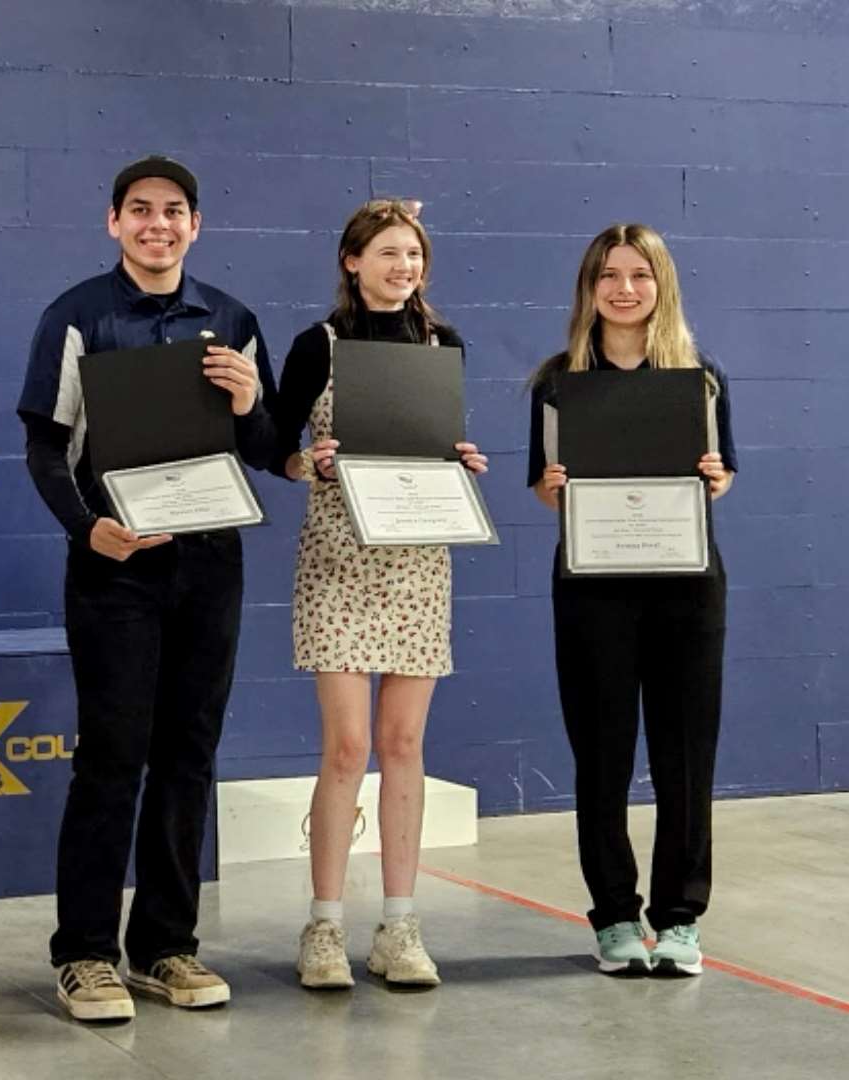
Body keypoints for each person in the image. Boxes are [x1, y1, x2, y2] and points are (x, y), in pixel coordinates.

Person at [17, 154, 277, 1022]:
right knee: (112, 756)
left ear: (195, 226)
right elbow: (46, 448)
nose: (156, 224)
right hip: (114, 567)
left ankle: (166, 945)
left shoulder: (233, 321)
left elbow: (267, 446)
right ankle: (85, 953)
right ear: (113, 222)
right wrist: (88, 527)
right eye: (140, 210)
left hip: (210, 567)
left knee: (189, 753)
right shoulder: (78, 316)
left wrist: (248, 404)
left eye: (173, 212)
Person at [266, 199, 488, 991]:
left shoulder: (442, 342)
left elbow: (429, 445)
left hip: (416, 562)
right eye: (389, 254)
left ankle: (399, 923)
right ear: (352, 261)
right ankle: (324, 923)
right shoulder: (316, 345)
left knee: (403, 747)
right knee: (347, 748)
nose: (404, 268)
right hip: (337, 561)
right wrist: (307, 463)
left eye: (415, 256)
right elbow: (272, 445)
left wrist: (460, 459)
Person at [527, 223, 737, 977]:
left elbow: (726, 475)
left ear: (661, 285)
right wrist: (551, 489)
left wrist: (714, 476)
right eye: (608, 275)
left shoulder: (699, 376)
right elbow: (542, 484)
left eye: (639, 275)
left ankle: (678, 920)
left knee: (686, 755)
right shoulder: (559, 381)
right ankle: (615, 917)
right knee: (603, 756)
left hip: (686, 589)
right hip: (593, 592)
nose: (624, 288)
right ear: (589, 288)